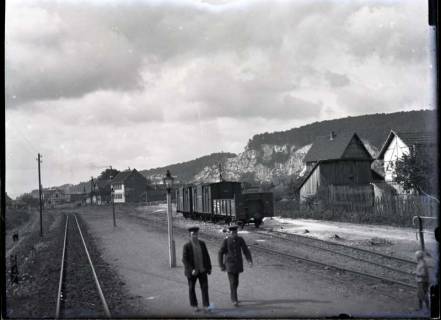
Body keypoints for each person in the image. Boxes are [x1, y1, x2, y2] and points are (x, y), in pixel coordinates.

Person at [218, 225, 253, 307]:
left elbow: (245, 250)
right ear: (230, 233)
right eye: (233, 232)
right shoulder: (226, 241)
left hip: (238, 265)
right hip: (229, 265)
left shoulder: (240, 239)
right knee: (233, 282)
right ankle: (234, 300)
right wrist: (221, 265)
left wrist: (249, 260)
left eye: (235, 232)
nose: (234, 234)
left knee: (236, 282)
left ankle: (233, 296)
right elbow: (220, 253)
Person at [182, 226, 212, 313]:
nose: (195, 236)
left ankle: (206, 305)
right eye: (193, 234)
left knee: (205, 287)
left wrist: (209, 267)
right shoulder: (186, 246)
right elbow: (184, 259)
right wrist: (191, 269)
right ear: (189, 235)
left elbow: (206, 256)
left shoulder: (202, 243)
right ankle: (194, 305)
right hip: (192, 272)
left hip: (202, 270)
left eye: (196, 234)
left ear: (198, 234)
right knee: (191, 288)